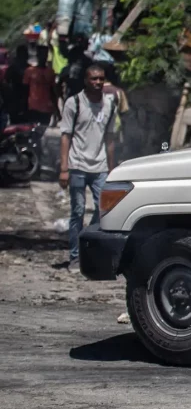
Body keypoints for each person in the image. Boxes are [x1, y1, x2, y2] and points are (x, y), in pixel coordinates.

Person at [59, 62, 118, 272]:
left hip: (100, 166)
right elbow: (65, 136)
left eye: (101, 78)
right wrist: (64, 168)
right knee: (77, 211)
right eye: (94, 78)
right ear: (86, 80)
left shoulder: (110, 104)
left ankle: (90, 250)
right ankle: (75, 257)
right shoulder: (74, 103)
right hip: (77, 166)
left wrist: (112, 169)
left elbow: (110, 137)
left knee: (104, 210)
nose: (98, 82)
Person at [23, 46, 56, 125]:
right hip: (33, 107)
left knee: (43, 131)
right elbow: (25, 90)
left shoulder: (50, 72)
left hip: (46, 108)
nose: (43, 57)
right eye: (41, 54)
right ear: (37, 55)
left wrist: (55, 109)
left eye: (45, 54)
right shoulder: (29, 71)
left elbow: (52, 92)